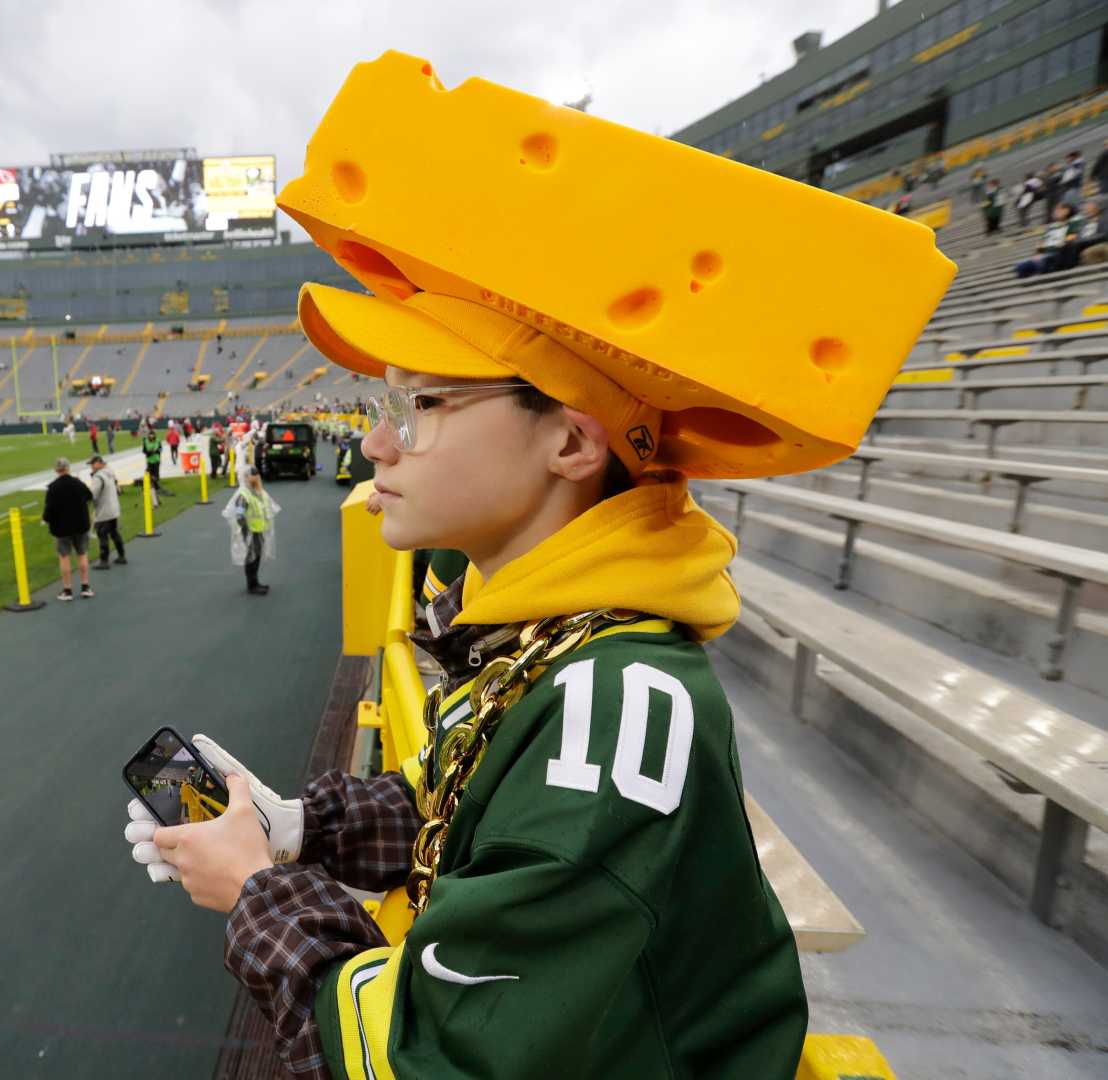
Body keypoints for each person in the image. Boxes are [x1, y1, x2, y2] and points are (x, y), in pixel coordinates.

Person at [110, 51, 959, 1080]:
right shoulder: (558, 641)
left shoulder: (607, 707)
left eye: (420, 406)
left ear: (570, 443)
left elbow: (433, 1055)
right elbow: (457, 804)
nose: (377, 446)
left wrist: (255, 888)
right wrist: (295, 828)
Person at [41, 457, 94, 600]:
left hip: (62, 528)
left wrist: (45, 519)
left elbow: (49, 510)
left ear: (56, 470)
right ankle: (85, 587)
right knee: (82, 554)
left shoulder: (53, 487)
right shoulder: (78, 483)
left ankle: (67, 590)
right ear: (68, 468)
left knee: (64, 557)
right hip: (81, 525)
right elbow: (90, 496)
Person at [221, 466, 278, 595]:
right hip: (251, 531)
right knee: (251, 557)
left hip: (259, 530)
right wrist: (246, 532)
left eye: (257, 475)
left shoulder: (257, 492)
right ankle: (252, 586)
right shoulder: (244, 495)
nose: (257, 477)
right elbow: (239, 515)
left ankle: (255, 582)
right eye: (253, 475)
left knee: (256, 556)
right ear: (246, 477)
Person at [87, 454, 127, 569]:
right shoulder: (109, 472)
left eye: (93, 464)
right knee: (114, 533)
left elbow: (92, 495)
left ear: (99, 463)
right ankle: (121, 556)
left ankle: (104, 561)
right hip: (113, 509)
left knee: (102, 535)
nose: (91, 467)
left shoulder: (98, 477)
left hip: (104, 511)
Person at [1015, 203, 1076, 278]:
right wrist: (1038, 252)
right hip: (1045, 256)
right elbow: (1041, 243)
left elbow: (1070, 239)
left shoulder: (1072, 225)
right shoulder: (1051, 227)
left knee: (1044, 262)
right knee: (1020, 266)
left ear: (1066, 211)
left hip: (1058, 255)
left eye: (1058, 209)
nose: (1055, 212)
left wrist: (1062, 243)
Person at [142, 425, 169, 503]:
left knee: (156, 475)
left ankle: (156, 487)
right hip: (149, 460)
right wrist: (149, 452)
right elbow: (144, 451)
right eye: (150, 435)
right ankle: (153, 487)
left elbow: (160, 449)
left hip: (156, 460)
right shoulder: (145, 441)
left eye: (152, 435)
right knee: (148, 474)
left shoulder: (157, 440)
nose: (151, 436)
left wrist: (156, 451)